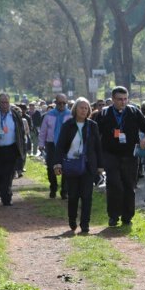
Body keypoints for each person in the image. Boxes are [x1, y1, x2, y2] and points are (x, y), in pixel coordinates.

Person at [94, 86, 145, 227]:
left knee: (129, 185)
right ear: (113, 99)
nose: (123, 102)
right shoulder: (104, 114)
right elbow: (96, 134)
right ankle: (113, 216)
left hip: (130, 155)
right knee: (114, 184)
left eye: (125, 99)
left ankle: (127, 216)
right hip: (110, 155)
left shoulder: (134, 112)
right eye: (120, 99)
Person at [53, 98, 102, 234]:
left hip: (88, 165)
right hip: (71, 165)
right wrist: (57, 163)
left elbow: (98, 146)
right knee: (73, 195)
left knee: (87, 196)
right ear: (75, 109)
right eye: (81, 107)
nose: (84, 110)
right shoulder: (68, 125)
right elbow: (60, 146)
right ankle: (72, 219)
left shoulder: (92, 126)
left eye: (86, 108)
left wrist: (100, 166)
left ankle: (85, 224)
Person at [39, 94, 71, 200]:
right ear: (55, 103)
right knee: (51, 167)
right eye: (59, 103)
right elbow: (43, 131)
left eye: (64, 103)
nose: (62, 105)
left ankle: (65, 190)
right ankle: (53, 188)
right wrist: (41, 144)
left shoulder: (70, 115)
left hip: (66, 145)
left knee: (66, 167)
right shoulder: (49, 115)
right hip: (51, 144)